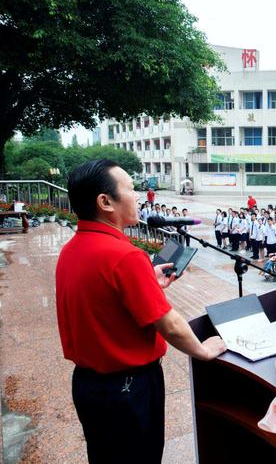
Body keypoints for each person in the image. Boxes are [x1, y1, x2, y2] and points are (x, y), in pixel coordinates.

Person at [56, 160, 226, 463]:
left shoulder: (72, 248)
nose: (139, 195)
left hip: (88, 386)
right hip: (128, 389)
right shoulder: (124, 256)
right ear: (105, 202)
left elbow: (104, 303)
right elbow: (170, 325)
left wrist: (149, 285)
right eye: (131, 189)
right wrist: (202, 350)